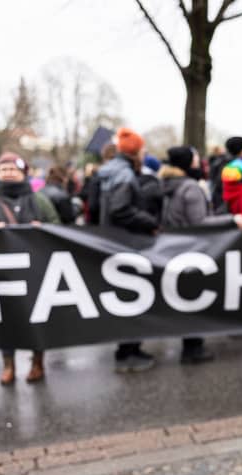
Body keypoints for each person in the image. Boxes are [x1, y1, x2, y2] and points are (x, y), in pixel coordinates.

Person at [0, 152, 60, 384]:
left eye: (13, 169)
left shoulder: (39, 201)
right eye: (4, 170)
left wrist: (44, 228)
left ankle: (37, 362)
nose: (8, 173)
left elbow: (58, 226)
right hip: (0, 274)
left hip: (35, 271)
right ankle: (8, 364)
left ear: (23, 173)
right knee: (6, 319)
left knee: (37, 318)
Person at [159, 145, 242, 362]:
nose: (199, 160)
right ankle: (193, 348)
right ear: (187, 163)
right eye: (195, 158)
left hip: (174, 248)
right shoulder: (190, 187)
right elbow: (199, 222)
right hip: (192, 251)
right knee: (193, 298)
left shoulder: (169, 184)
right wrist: (231, 219)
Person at [98, 127, 159, 372]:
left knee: (125, 298)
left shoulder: (111, 171)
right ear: (135, 152)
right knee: (131, 298)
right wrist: (149, 222)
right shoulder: (124, 174)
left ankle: (128, 349)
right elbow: (120, 209)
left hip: (114, 241)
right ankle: (128, 352)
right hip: (125, 242)